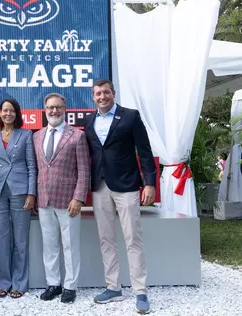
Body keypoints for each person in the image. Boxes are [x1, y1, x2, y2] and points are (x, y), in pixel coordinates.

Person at [83, 79, 156, 315]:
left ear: (113, 93)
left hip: (127, 186)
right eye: (97, 94)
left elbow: (145, 152)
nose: (102, 97)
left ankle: (140, 291)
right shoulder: (89, 120)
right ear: (93, 97)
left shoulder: (130, 116)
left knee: (132, 238)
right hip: (100, 186)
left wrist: (150, 183)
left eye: (106, 92)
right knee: (106, 239)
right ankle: (113, 287)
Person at [33, 93, 90, 304]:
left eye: (58, 107)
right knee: (49, 245)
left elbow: (84, 171)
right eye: (50, 107)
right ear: (45, 109)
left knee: (70, 245)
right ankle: (53, 284)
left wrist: (79, 198)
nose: (54, 111)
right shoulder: (37, 136)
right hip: (44, 200)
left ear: (64, 109)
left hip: (69, 201)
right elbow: (38, 169)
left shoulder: (77, 135)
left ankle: (70, 286)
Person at [0, 98, 37, 299]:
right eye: (5, 110)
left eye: (12, 111)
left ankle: (20, 284)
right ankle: (3, 282)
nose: (8, 114)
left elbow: (32, 165)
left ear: (17, 113)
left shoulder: (26, 134)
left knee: (20, 238)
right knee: (0, 238)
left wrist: (32, 193)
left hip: (20, 190)